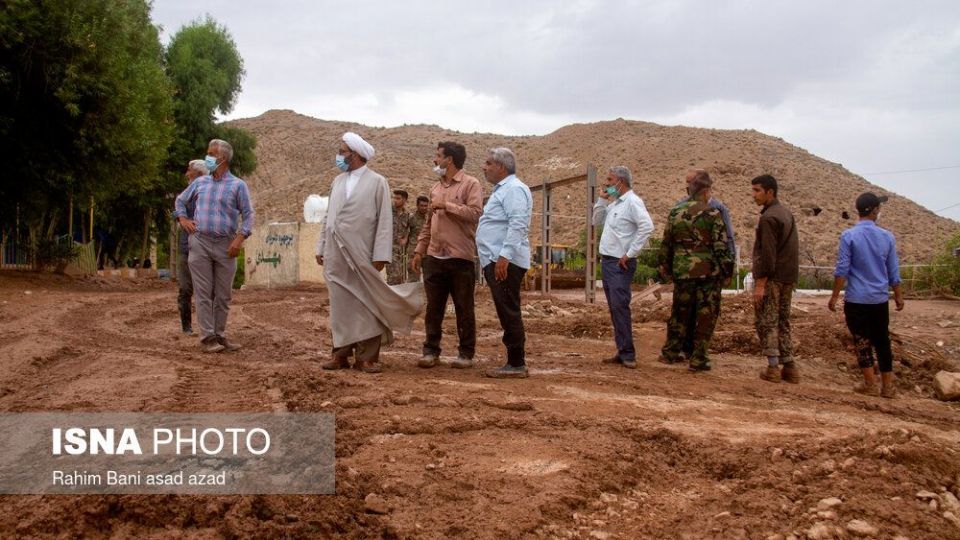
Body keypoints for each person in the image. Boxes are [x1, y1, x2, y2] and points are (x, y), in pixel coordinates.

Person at [315, 132, 422, 373]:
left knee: (366, 304)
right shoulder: (337, 181)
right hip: (335, 254)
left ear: (356, 155)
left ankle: (367, 357)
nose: (339, 156)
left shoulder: (377, 182)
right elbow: (328, 217)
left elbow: (384, 220)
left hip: (362, 254)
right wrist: (320, 246)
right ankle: (340, 354)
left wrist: (380, 254)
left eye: (342, 152)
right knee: (340, 305)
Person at [174, 139, 254, 353]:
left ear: (223, 159)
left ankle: (220, 334)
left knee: (223, 294)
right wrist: (183, 219)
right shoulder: (200, 183)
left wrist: (240, 238)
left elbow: (248, 215)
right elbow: (180, 201)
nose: (207, 158)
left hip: (226, 245)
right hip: (200, 242)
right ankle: (207, 337)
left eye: (211, 154)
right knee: (202, 292)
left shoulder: (238, 186)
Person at [410, 142, 483, 369]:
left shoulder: (471, 184)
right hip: (434, 258)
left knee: (464, 307)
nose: (435, 160)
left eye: (438, 156)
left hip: (460, 258)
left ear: (449, 159)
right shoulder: (435, 188)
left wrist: (448, 205)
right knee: (434, 308)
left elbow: (475, 214)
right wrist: (419, 251)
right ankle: (431, 351)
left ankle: (466, 353)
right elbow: (428, 224)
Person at [828, 192, 904, 398]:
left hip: (856, 299)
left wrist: (834, 296)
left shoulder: (849, 236)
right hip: (879, 299)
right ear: (875, 211)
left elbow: (842, 270)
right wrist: (898, 295)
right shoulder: (887, 237)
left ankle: (870, 383)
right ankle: (887, 387)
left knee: (861, 340)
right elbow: (893, 270)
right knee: (882, 340)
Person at [658, 171, 733, 371]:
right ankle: (699, 358)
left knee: (679, 313)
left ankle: (670, 352)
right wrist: (728, 271)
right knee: (706, 316)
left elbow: (667, 243)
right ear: (706, 191)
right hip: (708, 274)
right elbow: (721, 246)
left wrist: (664, 267)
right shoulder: (713, 214)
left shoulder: (676, 212)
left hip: (683, 272)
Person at [476, 147, 532, 378]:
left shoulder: (514, 190)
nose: (484, 167)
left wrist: (504, 256)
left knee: (509, 309)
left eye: (488, 163)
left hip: (504, 261)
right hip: (497, 258)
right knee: (506, 308)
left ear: (501, 166)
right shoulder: (504, 190)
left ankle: (516, 362)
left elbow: (518, 223)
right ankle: (514, 360)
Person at [592, 166, 654, 369]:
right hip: (608, 261)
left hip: (621, 262)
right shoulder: (615, 204)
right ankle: (622, 350)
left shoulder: (633, 202)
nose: (607, 184)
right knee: (614, 307)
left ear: (621, 181)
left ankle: (628, 353)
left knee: (620, 306)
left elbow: (647, 226)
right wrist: (602, 200)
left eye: (610, 180)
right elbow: (596, 221)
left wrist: (631, 253)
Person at [751, 174, 800, 383]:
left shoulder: (769, 217)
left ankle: (772, 368)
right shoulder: (786, 213)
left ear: (770, 192)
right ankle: (790, 367)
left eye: (757, 190)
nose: (754, 195)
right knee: (783, 320)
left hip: (772, 278)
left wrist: (760, 283)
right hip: (788, 277)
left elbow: (768, 254)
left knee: (767, 321)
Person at [175, 159, 207, 334]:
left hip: (206, 248)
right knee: (186, 287)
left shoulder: (209, 194)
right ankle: (186, 326)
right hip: (186, 247)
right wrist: (183, 218)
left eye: (189, 171)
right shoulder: (186, 195)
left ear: (199, 175)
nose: (186, 174)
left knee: (207, 290)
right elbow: (177, 210)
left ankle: (208, 328)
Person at [387, 190, 412, 285]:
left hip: (400, 251)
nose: (395, 200)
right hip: (388, 249)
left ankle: (396, 297)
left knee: (400, 277)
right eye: (394, 198)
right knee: (393, 276)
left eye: (398, 198)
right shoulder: (387, 211)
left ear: (405, 200)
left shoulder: (407, 215)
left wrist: (405, 238)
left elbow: (408, 229)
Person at [407, 195, 429, 282]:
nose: (424, 208)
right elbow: (405, 233)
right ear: (417, 206)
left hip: (428, 253)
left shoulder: (430, 218)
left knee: (429, 279)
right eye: (422, 205)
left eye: (426, 205)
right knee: (413, 278)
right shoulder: (411, 218)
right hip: (414, 252)